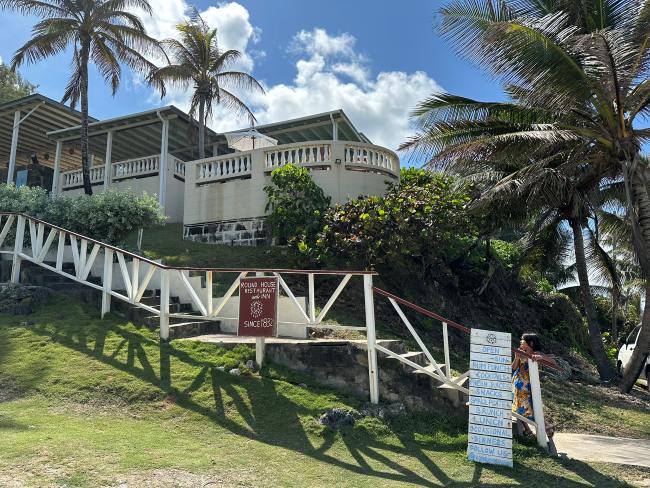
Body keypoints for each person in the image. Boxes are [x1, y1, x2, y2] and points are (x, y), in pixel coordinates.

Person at [512, 332, 558, 438]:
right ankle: (528, 431)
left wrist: (541, 357)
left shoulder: (536, 353)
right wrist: (516, 357)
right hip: (518, 385)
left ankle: (545, 426)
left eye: (522, 340)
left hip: (530, 386)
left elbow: (553, 362)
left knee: (532, 406)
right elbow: (514, 367)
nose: (520, 342)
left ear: (531, 343)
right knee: (519, 407)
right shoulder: (520, 352)